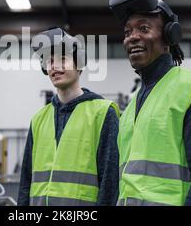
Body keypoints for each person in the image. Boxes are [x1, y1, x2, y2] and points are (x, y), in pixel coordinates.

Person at [109, 0, 191, 206]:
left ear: (169, 37)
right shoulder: (132, 106)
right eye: (127, 32)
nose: (132, 37)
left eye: (144, 28)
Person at [17, 27, 120, 206]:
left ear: (79, 63)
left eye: (62, 59)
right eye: (49, 61)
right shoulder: (38, 119)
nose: (54, 67)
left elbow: (110, 182)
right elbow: (26, 180)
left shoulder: (103, 113)